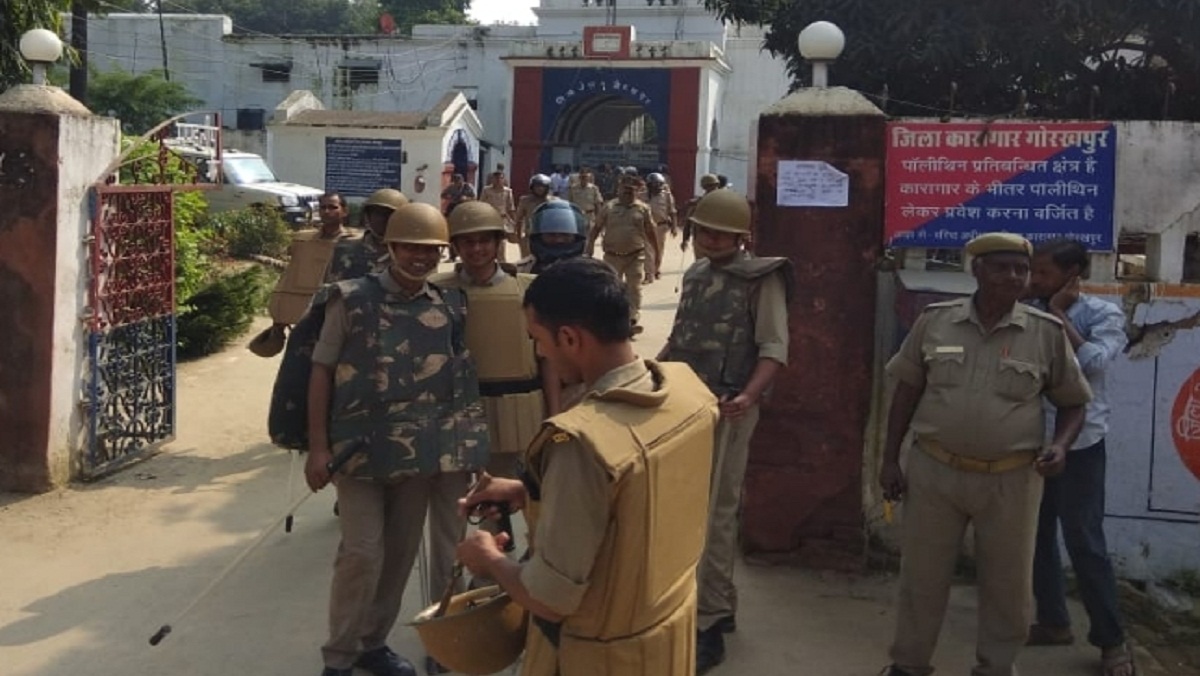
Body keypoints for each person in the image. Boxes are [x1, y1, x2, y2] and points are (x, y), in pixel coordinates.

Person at [455, 256, 719, 676]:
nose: (540, 352)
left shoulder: (580, 443)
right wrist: (532, 492)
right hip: (667, 635)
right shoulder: (689, 393)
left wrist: (488, 559)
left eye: (538, 340)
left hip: (597, 656)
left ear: (569, 338)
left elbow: (549, 598)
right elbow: (639, 501)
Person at [878, 232, 1093, 676]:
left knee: (1008, 585)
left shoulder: (1046, 333)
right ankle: (909, 664)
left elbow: (1074, 402)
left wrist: (1061, 445)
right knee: (922, 578)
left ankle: (996, 667)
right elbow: (907, 391)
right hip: (935, 469)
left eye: (1021, 269)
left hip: (1012, 479)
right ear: (976, 270)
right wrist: (888, 458)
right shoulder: (935, 321)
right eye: (1002, 267)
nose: (1014, 277)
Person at [304, 202, 490, 676]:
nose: (421, 258)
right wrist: (319, 447)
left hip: (419, 453)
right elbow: (321, 372)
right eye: (410, 247)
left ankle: (372, 644)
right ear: (391, 247)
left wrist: (464, 449)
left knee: (399, 556)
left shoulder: (448, 306)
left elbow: (459, 384)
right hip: (358, 451)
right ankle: (339, 657)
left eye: (431, 250)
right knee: (362, 553)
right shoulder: (350, 299)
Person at [657, 188, 793, 674]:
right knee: (686, 510)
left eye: (720, 233)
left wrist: (748, 397)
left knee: (714, 514)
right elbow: (680, 338)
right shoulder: (695, 275)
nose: (710, 240)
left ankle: (710, 620)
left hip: (728, 407)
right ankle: (716, 602)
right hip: (686, 405)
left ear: (742, 237)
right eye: (703, 231)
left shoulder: (761, 279)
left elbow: (774, 347)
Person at [1026, 238, 1135, 676]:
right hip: (1031, 440)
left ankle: (1112, 642)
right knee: (1034, 538)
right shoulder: (1024, 308)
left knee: (1085, 542)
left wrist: (1056, 314)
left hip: (1081, 445)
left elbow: (1092, 363)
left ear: (1072, 278)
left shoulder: (1102, 314)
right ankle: (1053, 621)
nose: (1034, 280)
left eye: (1043, 273)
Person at [431, 200, 563, 478]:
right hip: (454, 414)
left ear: (497, 242)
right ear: (454, 245)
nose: (476, 249)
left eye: (483, 241)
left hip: (518, 415)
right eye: (467, 242)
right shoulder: (434, 292)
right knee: (453, 506)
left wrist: (554, 415)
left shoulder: (529, 289)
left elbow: (547, 358)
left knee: (517, 500)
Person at [587, 174, 658, 335]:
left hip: (635, 255)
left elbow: (651, 233)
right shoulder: (609, 207)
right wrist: (590, 245)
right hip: (612, 256)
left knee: (634, 288)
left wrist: (657, 255)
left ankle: (631, 320)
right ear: (619, 190)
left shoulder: (643, 209)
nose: (628, 193)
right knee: (611, 288)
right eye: (625, 189)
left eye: (632, 190)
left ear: (637, 191)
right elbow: (596, 228)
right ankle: (613, 320)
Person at [327, 188, 409, 282]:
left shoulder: (411, 254)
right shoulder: (345, 249)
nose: (382, 219)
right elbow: (330, 290)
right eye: (377, 213)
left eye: (389, 214)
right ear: (368, 216)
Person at [524, 200, 589, 275]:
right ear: (538, 237)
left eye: (565, 234)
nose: (559, 240)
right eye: (551, 235)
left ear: (577, 237)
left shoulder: (593, 273)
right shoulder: (521, 271)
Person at [513, 174, 558, 259]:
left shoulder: (553, 201)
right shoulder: (525, 201)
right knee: (528, 261)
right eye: (537, 186)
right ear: (532, 187)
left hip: (548, 236)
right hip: (530, 236)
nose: (540, 189)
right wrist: (519, 237)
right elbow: (519, 219)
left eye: (543, 186)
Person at [645, 172, 677, 279]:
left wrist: (674, 227)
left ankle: (656, 269)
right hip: (647, 227)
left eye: (659, 184)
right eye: (655, 184)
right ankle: (649, 273)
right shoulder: (642, 195)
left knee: (658, 249)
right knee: (648, 250)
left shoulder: (667, 196)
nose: (657, 186)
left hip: (661, 226)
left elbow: (672, 212)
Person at [480, 171, 516, 263]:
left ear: (503, 179)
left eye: (500, 178)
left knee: (501, 241)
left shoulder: (508, 191)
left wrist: (514, 221)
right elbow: (481, 204)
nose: (498, 180)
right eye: (495, 178)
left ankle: (502, 262)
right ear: (492, 179)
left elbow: (511, 207)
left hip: (502, 219)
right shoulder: (486, 190)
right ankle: (488, 260)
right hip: (489, 218)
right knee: (489, 240)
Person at [681, 174, 721, 253]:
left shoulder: (722, 202)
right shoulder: (698, 204)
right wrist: (685, 239)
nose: (714, 188)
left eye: (715, 186)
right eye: (710, 186)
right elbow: (688, 222)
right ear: (705, 187)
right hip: (701, 239)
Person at [567, 167, 605, 234]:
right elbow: (569, 204)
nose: (584, 178)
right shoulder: (573, 188)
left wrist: (599, 218)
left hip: (589, 216)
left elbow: (598, 204)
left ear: (588, 177)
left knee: (589, 237)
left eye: (585, 176)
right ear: (579, 177)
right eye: (582, 176)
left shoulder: (594, 189)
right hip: (577, 216)